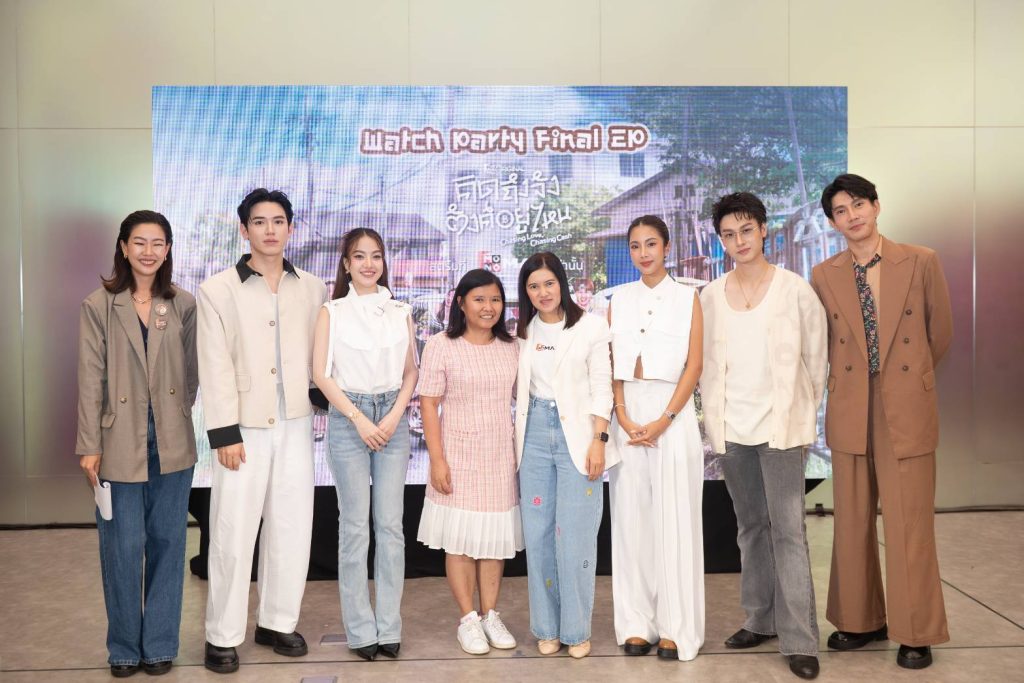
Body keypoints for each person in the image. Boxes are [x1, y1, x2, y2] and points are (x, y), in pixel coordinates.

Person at [812, 174, 953, 670]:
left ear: (876, 206)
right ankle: (860, 620)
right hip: (850, 404)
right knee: (851, 519)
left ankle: (916, 631)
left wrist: (905, 379)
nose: (852, 216)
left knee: (909, 521)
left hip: (906, 404)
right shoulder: (823, 274)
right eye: (841, 211)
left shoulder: (920, 260)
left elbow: (940, 334)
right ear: (832, 223)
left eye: (858, 205)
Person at [700, 192, 827, 680]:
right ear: (721, 240)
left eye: (746, 230)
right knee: (750, 526)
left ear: (763, 230)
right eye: (729, 234)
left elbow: (817, 360)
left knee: (789, 530)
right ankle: (760, 619)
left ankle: (800, 639)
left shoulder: (794, 290)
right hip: (732, 429)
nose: (739, 241)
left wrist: (799, 412)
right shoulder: (710, 296)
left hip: (780, 430)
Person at [198, 188, 327, 674]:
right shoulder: (217, 290)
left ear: (290, 228)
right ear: (244, 229)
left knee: (292, 526)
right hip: (243, 427)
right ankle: (222, 635)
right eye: (259, 222)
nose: (269, 230)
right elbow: (213, 364)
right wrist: (223, 432)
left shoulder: (312, 287)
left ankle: (277, 621)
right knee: (233, 530)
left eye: (278, 221)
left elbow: (321, 355)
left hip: (297, 421)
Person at [76, 210, 198, 678]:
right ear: (124, 248)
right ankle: (125, 648)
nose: (149, 251)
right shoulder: (99, 305)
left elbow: (191, 374)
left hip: (172, 441)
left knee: (169, 543)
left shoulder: (182, 304)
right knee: (123, 547)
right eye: (140, 242)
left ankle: (160, 644)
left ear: (168, 251)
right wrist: (90, 443)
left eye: (158, 243)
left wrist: (172, 412)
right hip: (116, 441)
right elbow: (90, 380)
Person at [312, 228, 418, 661]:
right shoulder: (331, 312)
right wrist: (359, 419)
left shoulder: (401, 311)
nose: (369, 264)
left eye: (376, 255)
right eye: (359, 256)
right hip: (347, 419)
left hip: (392, 417)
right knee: (354, 528)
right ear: (346, 264)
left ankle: (389, 627)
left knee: (390, 527)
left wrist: (392, 417)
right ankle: (360, 631)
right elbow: (320, 374)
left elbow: (411, 371)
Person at [608, 215, 705, 661]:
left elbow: (694, 366)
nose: (643, 253)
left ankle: (676, 628)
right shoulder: (618, 300)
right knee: (631, 523)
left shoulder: (688, 298)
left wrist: (664, 420)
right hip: (628, 418)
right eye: (635, 246)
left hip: (673, 415)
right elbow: (612, 365)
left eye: (651, 244)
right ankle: (636, 624)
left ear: (667, 247)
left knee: (675, 521)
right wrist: (624, 416)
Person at [416, 269, 523, 655]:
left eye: (495, 299)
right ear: (461, 303)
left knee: (493, 540)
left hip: (499, 457)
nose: (488, 307)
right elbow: (429, 403)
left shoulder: (513, 347)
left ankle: (490, 615)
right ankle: (468, 620)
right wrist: (437, 460)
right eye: (479, 299)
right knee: (459, 541)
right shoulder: (441, 345)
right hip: (457, 456)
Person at [514, 252, 615, 659]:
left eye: (549, 283)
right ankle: (546, 627)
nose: (543, 292)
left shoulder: (591, 326)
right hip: (534, 436)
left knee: (574, 538)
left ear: (562, 283)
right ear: (526, 292)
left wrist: (599, 439)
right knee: (538, 537)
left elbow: (602, 386)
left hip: (580, 435)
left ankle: (576, 630)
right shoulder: (521, 332)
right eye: (534, 286)